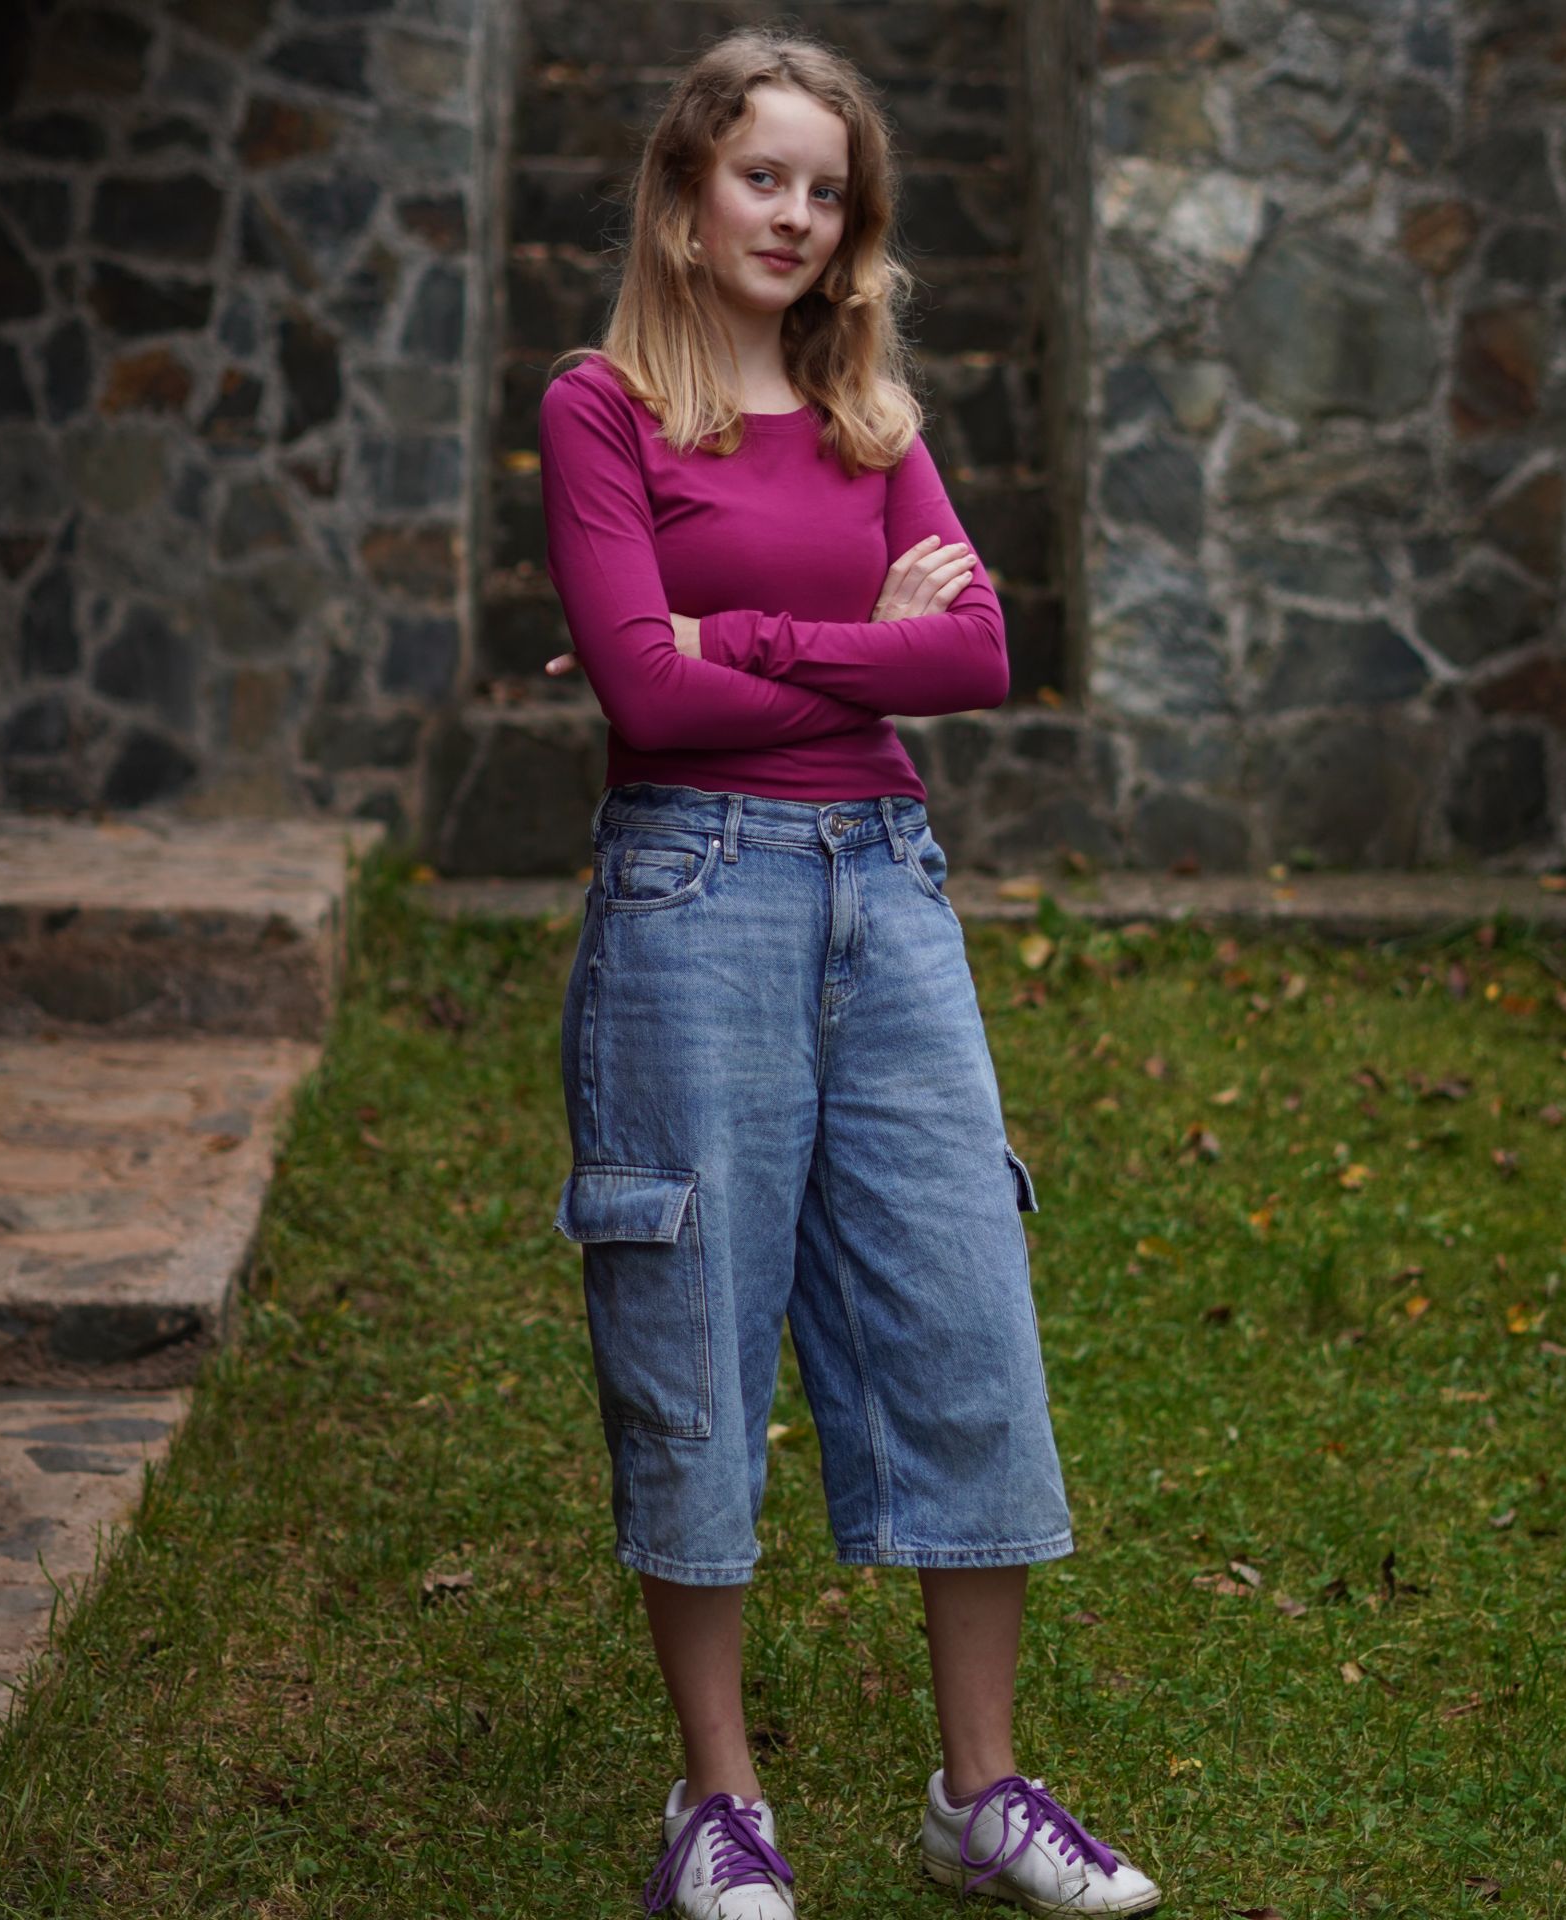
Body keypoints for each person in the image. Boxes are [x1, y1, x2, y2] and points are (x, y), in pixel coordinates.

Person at [537, 25, 1162, 1919]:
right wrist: (832, 640)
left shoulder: (876, 418)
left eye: (828, 189)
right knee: (695, 1332)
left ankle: (983, 1793)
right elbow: (643, 700)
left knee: (964, 1305)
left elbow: (976, 661)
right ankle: (717, 1808)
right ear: (684, 197)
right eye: (764, 177)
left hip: (889, 897)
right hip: (691, 898)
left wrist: (731, 632)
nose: (797, 215)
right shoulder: (601, 410)